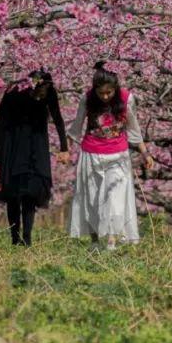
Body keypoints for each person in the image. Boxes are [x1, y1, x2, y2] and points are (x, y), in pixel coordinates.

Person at [67, 61, 154, 250]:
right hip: (91, 154)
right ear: (95, 89)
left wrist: (145, 153)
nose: (105, 96)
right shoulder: (87, 98)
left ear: (116, 88)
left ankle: (112, 241)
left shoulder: (126, 99)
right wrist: (65, 150)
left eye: (109, 92)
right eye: (101, 93)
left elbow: (134, 129)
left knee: (115, 197)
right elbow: (76, 127)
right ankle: (95, 241)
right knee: (92, 198)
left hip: (118, 155)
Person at [0, 69, 68, 246]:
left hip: (36, 147)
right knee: (13, 194)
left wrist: (64, 148)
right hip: (13, 146)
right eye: (39, 89)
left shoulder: (49, 92)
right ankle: (15, 238)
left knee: (31, 193)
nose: (41, 93)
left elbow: (58, 118)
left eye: (45, 89)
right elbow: (1, 119)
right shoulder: (15, 90)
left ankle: (27, 238)